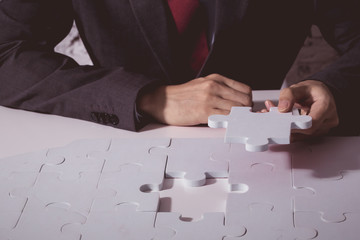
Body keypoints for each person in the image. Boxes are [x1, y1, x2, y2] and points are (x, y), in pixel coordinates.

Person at [0, 0, 359, 138]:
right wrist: (147, 98)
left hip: (273, 162)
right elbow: (6, 52)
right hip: (120, 153)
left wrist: (336, 89)